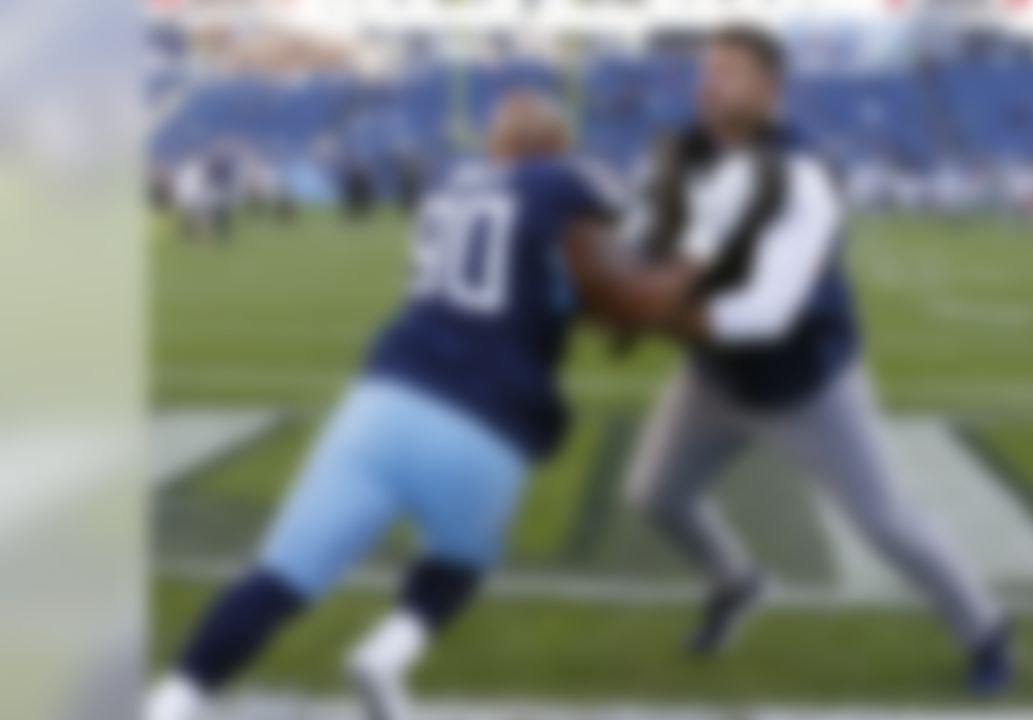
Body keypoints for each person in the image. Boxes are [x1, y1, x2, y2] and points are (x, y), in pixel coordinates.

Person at [145, 90, 699, 720]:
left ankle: (174, 700)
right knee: (458, 565)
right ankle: (387, 655)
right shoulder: (563, 178)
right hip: (488, 417)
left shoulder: (449, 183)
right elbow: (627, 238)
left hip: (385, 400)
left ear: (496, 144)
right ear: (555, 145)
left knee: (279, 578)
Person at [620, 26, 1014, 695]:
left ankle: (984, 629)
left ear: (772, 89)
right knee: (655, 496)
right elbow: (636, 241)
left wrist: (647, 307)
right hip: (715, 376)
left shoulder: (805, 175)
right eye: (707, 70)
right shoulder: (680, 155)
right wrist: (609, 279)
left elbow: (764, 314)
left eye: (731, 71)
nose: (711, 82)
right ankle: (736, 583)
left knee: (885, 522)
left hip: (805, 381)